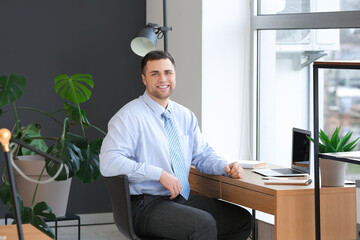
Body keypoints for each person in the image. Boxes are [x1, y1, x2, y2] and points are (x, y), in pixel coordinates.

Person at [100, 50, 253, 240]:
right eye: (154, 73)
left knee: (241, 220)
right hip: (145, 205)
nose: (162, 79)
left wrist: (224, 166)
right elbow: (109, 163)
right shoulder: (129, 117)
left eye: (168, 72)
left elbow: (202, 154)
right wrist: (159, 174)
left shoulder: (184, 115)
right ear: (144, 79)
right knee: (203, 224)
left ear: (174, 76)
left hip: (179, 199)